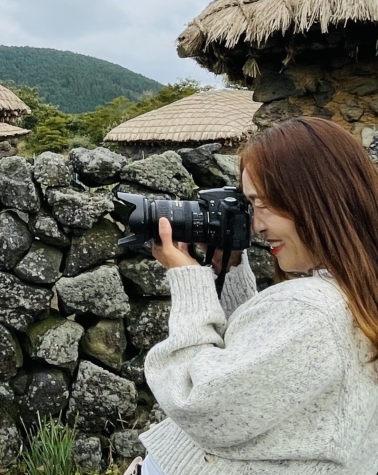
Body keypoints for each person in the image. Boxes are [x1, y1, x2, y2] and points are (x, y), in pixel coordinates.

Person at [135, 117, 378, 474]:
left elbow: (197, 400)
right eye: (251, 207)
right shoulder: (353, 292)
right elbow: (255, 365)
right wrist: (226, 268)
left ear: (315, 200)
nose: (258, 225)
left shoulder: (313, 309)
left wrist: (186, 278)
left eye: (263, 204)